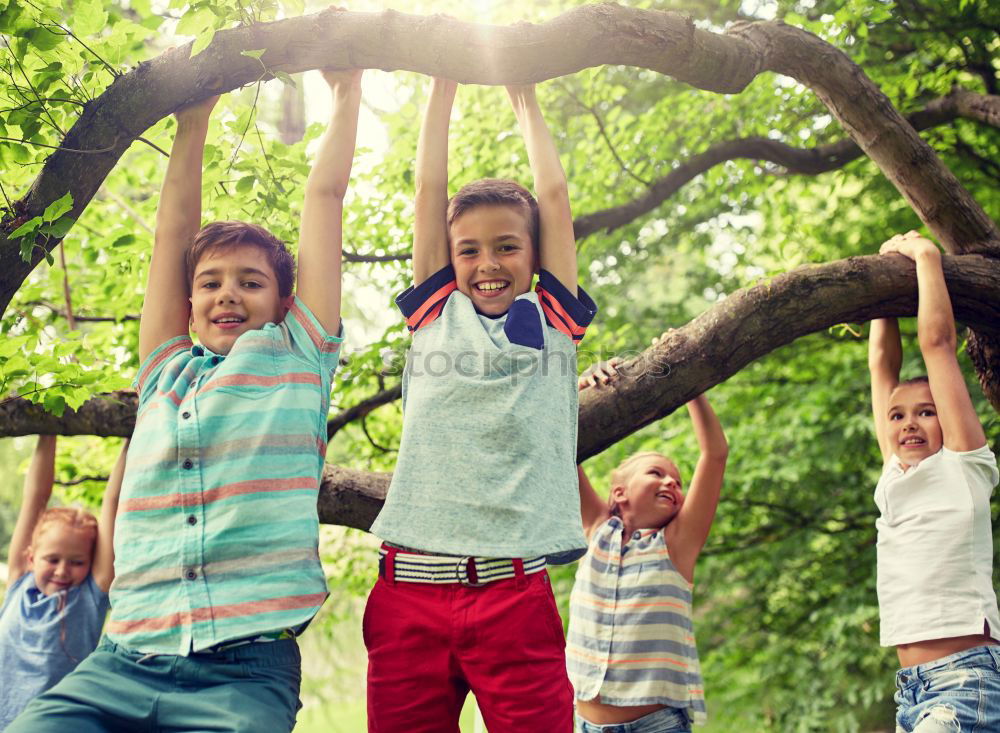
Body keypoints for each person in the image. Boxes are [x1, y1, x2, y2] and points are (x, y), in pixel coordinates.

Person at [7, 68, 361, 733]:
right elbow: (171, 238)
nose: (229, 293)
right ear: (189, 304)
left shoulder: (300, 355)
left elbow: (326, 195)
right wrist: (193, 122)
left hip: (244, 672)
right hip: (122, 660)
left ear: (284, 301)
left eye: (251, 282)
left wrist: (347, 94)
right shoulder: (165, 370)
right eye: (211, 283)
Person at [364, 78, 597, 732]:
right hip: (409, 590)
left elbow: (553, 198)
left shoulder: (553, 321)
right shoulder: (436, 315)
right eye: (469, 249)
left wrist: (523, 94)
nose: (486, 263)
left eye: (506, 246)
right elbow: (427, 196)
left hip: (512, 593)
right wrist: (443, 85)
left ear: (533, 253)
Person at [868, 230, 1000, 733]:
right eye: (898, 416)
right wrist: (879, 294)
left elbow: (937, 343)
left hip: (967, 681)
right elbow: (883, 364)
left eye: (926, 412)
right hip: (912, 690)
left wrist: (925, 256)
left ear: (948, 420)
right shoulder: (894, 477)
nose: (908, 424)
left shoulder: (964, 465)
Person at [567, 356, 727, 732]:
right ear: (619, 492)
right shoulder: (596, 528)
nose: (672, 483)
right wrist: (579, 388)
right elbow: (555, 441)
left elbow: (715, 453)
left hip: (656, 724)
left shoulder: (676, 544)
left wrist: (689, 380)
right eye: (656, 473)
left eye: (678, 481)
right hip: (585, 723)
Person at [1, 435, 126, 730]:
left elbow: (114, 502)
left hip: (52, 724)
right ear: (31, 558)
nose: (62, 570)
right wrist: (49, 429)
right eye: (52, 559)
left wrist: (128, 439)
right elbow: (35, 497)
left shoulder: (90, 596)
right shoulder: (20, 580)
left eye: (77, 562)